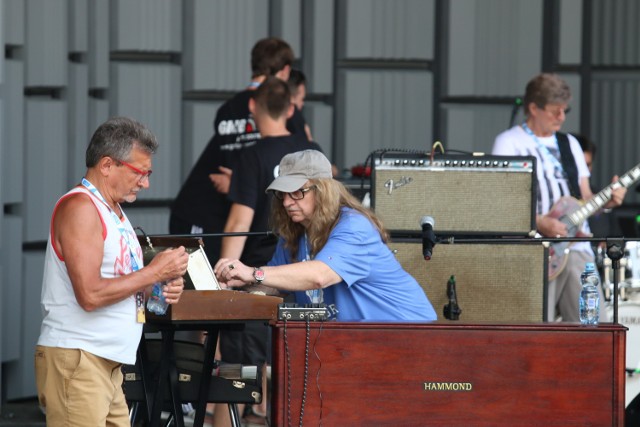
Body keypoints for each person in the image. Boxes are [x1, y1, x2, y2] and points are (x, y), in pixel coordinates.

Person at [34, 116, 189, 426]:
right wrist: (153, 273)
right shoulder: (81, 208)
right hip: (80, 360)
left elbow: (119, 282)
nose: (146, 183)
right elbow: (90, 295)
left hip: (104, 364)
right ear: (106, 165)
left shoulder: (113, 211)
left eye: (148, 173)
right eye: (140, 173)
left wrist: (157, 288)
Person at [214, 149, 438, 322]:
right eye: (282, 194)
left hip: (407, 334)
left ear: (323, 191)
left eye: (297, 192)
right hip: (357, 341)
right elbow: (275, 285)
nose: (287, 202)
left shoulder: (353, 226)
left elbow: (320, 275)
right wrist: (238, 284)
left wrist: (253, 272)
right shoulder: (295, 232)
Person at [492, 73, 626, 322]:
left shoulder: (570, 144)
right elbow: (501, 202)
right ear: (533, 108)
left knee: (596, 325)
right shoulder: (509, 143)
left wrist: (608, 201)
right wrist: (539, 221)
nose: (561, 117)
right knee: (535, 327)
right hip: (535, 250)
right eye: (555, 111)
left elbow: (585, 197)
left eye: (565, 110)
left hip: (577, 245)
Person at [169, 37, 308, 266]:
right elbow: (305, 161)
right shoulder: (280, 110)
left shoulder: (229, 107)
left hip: (215, 213)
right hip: (218, 216)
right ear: (285, 72)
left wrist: (238, 182)